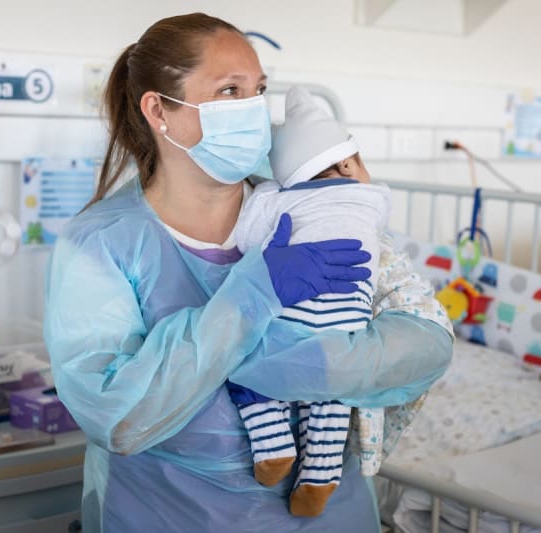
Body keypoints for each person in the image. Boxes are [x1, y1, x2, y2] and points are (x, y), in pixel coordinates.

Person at [44, 12, 453, 533]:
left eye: (259, 89)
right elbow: (119, 416)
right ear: (159, 110)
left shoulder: (312, 207)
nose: (254, 109)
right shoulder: (102, 244)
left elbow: (428, 338)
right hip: (173, 516)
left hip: (332, 514)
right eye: (229, 90)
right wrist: (251, 296)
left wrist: (313, 362)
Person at [227, 86, 409, 518]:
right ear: (348, 163)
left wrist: (272, 188)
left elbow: (246, 240)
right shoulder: (374, 198)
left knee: (249, 372)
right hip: (348, 324)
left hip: (296, 313)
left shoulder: (280, 199)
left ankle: (272, 449)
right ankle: (320, 476)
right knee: (330, 397)